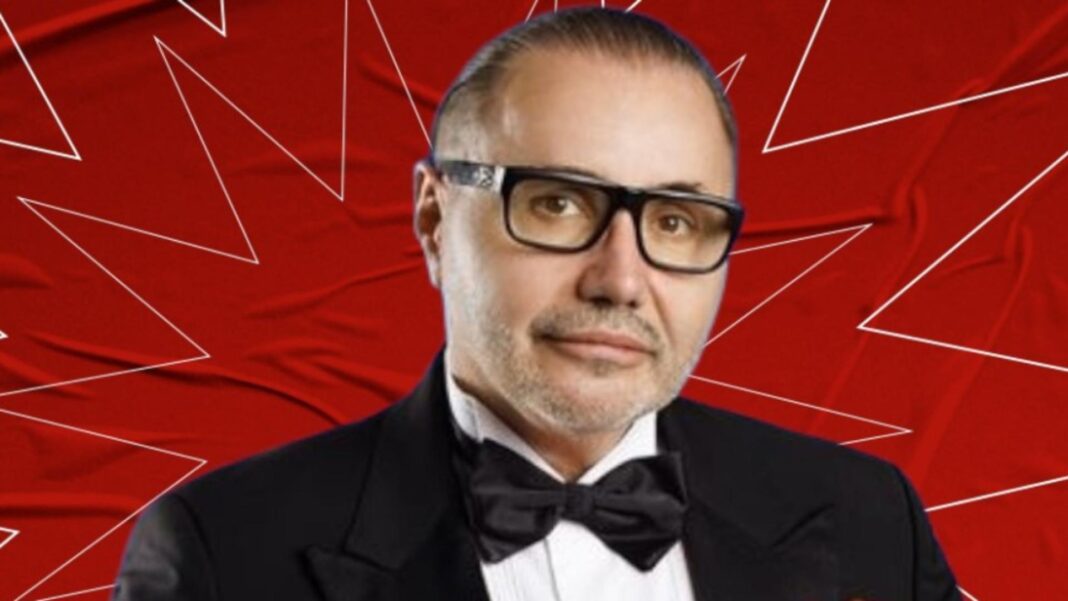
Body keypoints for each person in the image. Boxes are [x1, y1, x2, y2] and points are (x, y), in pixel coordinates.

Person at [110, 7, 961, 601]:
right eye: (558, 203)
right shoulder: (224, 555)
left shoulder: (869, 518)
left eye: (675, 220)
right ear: (435, 218)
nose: (620, 279)